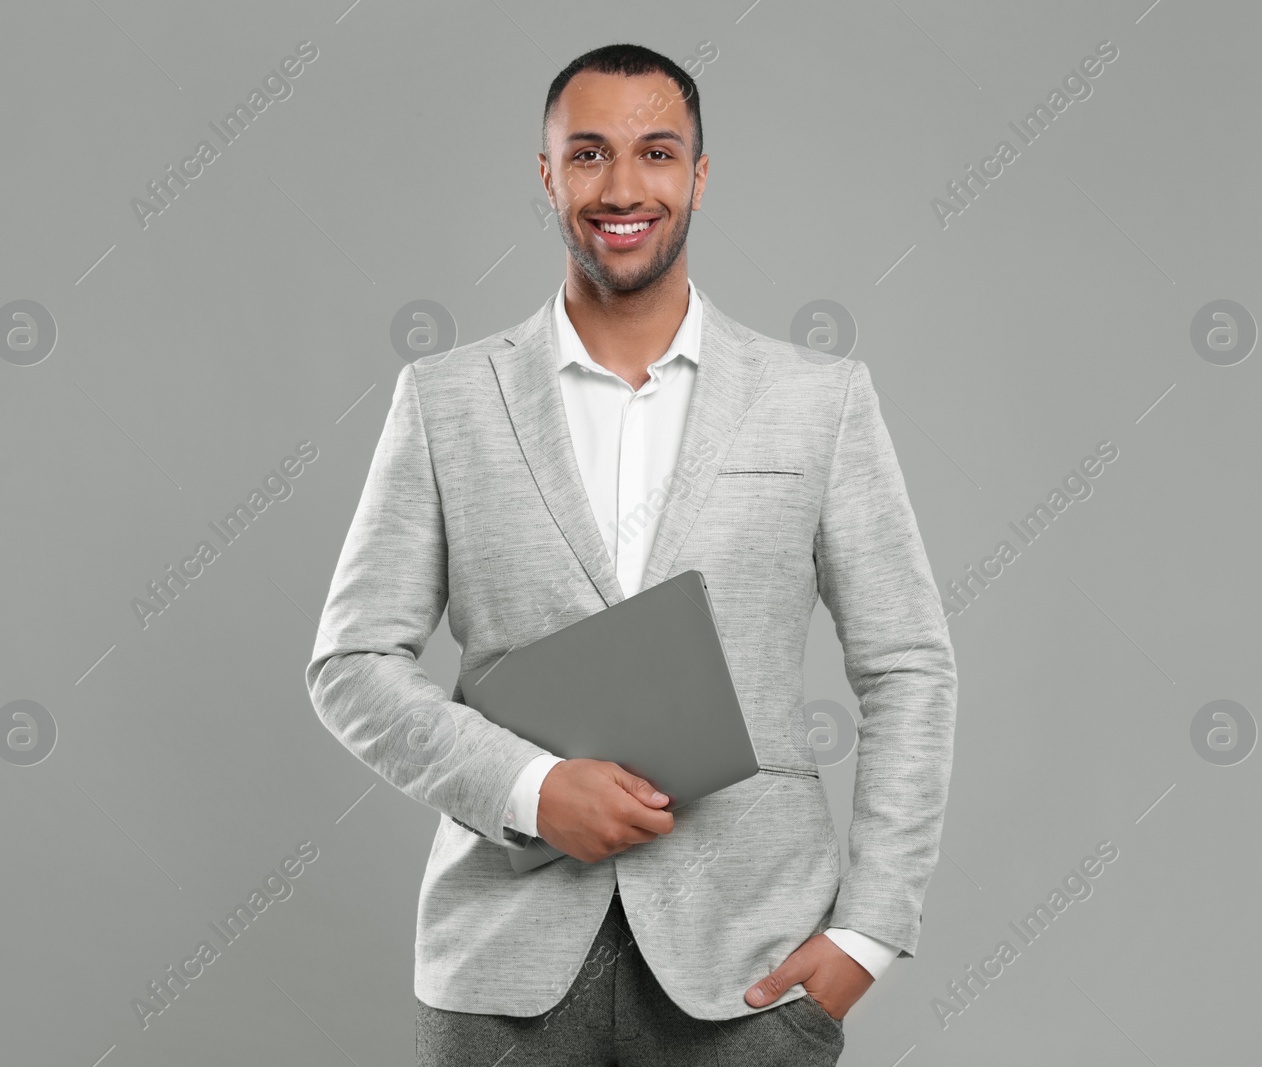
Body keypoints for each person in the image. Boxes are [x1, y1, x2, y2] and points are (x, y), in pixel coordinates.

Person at [306, 42, 957, 1066]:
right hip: (502, 973)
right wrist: (527, 787)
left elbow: (908, 664)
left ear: (698, 174)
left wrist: (868, 929)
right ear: (547, 174)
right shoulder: (445, 401)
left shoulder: (816, 401)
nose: (621, 187)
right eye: (589, 154)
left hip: (754, 966)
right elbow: (350, 665)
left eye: (656, 153)